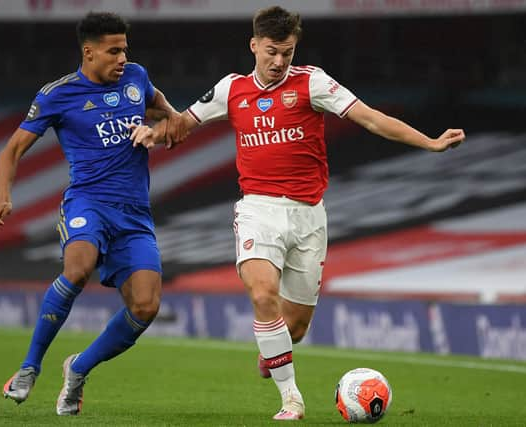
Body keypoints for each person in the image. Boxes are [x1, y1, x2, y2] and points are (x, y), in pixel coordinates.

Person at [133, 5, 466, 421]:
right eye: (271, 51)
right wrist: (155, 131)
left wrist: (430, 142)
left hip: (309, 216)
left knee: (295, 328)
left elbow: (371, 119)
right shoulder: (231, 90)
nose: (278, 61)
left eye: (287, 53)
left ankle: (273, 353)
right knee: (262, 293)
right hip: (258, 209)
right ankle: (291, 398)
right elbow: (182, 124)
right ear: (254, 45)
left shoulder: (313, 83)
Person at [0, 12, 182, 416]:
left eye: (125, 48)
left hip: (135, 214)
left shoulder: (137, 78)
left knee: (145, 307)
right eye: (113, 50)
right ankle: (28, 367)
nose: (123, 57)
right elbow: (12, 150)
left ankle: (78, 368)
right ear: (88, 53)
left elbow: (174, 120)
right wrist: (3, 197)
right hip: (87, 202)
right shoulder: (59, 94)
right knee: (78, 267)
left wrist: (157, 131)